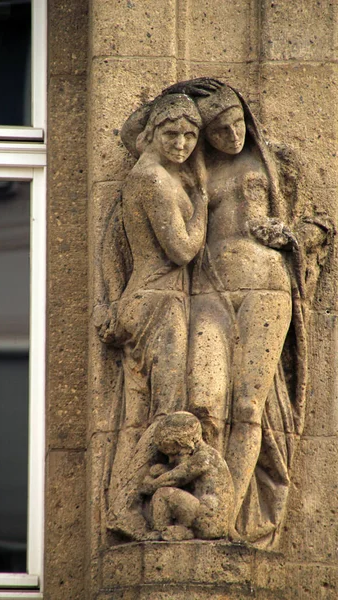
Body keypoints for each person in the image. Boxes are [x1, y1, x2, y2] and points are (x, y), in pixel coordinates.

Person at [121, 78, 332, 547]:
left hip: (266, 285)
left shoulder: (279, 162)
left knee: (246, 406)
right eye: (217, 130)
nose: (231, 136)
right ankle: (202, 506)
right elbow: (130, 133)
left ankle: (226, 521)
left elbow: (322, 224)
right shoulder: (190, 161)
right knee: (205, 401)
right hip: (213, 290)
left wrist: (290, 235)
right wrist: (183, 93)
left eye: (237, 123)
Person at [100, 93, 207, 539]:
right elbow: (181, 250)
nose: (182, 144)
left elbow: (111, 247)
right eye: (172, 134)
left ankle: (119, 504)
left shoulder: (137, 179)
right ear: (153, 133)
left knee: (137, 412)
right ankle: (129, 505)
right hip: (160, 302)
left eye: (190, 135)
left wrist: (111, 299)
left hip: (137, 300)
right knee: (163, 415)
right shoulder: (156, 181)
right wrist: (201, 207)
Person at [141, 411, 234, 541]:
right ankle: (185, 531)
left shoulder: (205, 457)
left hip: (208, 520)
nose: (170, 459)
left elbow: (176, 477)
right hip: (207, 518)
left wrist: (151, 485)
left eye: (175, 453)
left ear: (187, 443)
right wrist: (163, 469)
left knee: (163, 493)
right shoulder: (200, 456)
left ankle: (159, 531)